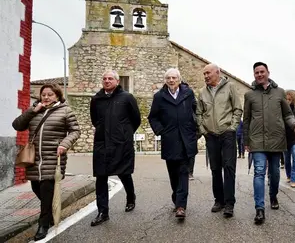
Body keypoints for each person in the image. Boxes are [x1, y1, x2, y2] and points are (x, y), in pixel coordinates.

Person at [12, 84, 80, 241]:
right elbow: (17, 125)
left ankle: (43, 225)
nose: (46, 97)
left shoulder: (65, 110)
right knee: (36, 187)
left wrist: (64, 144)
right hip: (34, 158)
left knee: (46, 188)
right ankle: (50, 212)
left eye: (50, 94)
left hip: (53, 157)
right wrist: (31, 111)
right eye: (44, 94)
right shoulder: (35, 110)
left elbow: (75, 130)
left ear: (57, 96)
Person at [243, 62, 295, 225]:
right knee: (259, 171)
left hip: (276, 138)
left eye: (262, 72)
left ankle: (273, 196)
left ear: (268, 72)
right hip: (257, 140)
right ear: (254, 75)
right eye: (256, 72)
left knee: (274, 173)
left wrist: (294, 126)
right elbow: (246, 120)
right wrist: (246, 140)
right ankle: (259, 208)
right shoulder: (249, 95)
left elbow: (287, 114)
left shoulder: (280, 92)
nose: (259, 74)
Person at [89, 70, 141, 227]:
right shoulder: (96, 99)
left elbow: (136, 119)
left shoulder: (127, 98)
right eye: (104, 78)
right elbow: (94, 120)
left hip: (121, 143)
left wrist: (124, 133)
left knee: (124, 174)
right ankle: (103, 212)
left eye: (110, 78)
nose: (107, 81)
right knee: (101, 177)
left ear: (117, 82)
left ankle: (131, 197)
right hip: (102, 143)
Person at [148, 68, 198, 219]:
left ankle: (181, 206)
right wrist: (161, 131)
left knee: (183, 171)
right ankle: (177, 196)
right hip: (169, 140)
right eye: (168, 78)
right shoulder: (159, 97)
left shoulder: (188, 94)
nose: (171, 80)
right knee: (173, 173)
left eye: (174, 78)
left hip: (186, 139)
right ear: (165, 80)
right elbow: (153, 117)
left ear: (179, 79)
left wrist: (193, 128)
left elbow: (196, 111)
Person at [196, 64, 243, 218]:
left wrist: (233, 127)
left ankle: (229, 203)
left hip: (227, 134)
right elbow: (198, 113)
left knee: (229, 168)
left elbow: (237, 109)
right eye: (204, 74)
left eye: (208, 73)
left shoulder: (230, 87)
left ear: (218, 72)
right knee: (215, 169)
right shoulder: (202, 92)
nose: (206, 76)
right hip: (211, 136)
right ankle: (219, 201)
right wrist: (203, 131)